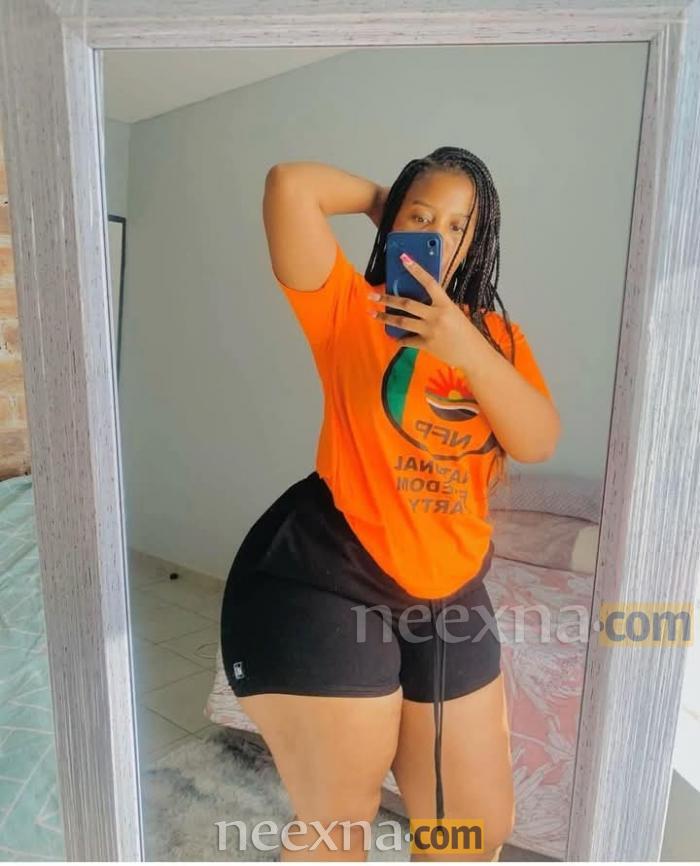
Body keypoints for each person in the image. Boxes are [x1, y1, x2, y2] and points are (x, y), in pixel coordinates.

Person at [220, 146, 561, 862]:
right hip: (329, 575)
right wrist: (388, 200)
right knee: (339, 827)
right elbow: (289, 185)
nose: (440, 234)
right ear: (395, 222)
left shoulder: (497, 340)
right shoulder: (350, 307)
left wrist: (464, 345)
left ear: (480, 241)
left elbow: (535, 440)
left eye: (459, 226)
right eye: (422, 217)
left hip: (449, 595)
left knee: (474, 830)